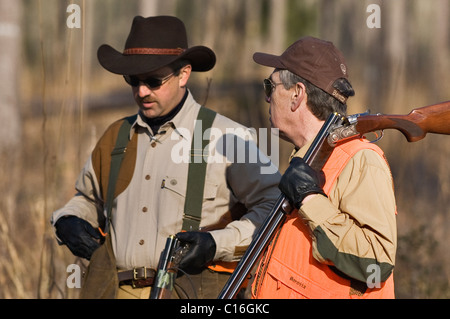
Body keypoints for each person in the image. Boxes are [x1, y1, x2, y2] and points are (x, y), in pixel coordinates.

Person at [51, 15, 281, 299]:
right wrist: (67, 219)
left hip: (191, 294)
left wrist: (215, 243)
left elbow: (274, 209)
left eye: (153, 80)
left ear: (184, 74)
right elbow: (86, 199)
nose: (141, 91)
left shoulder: (229, 137)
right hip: (112, 290)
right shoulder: (115, 136)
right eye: (133, 80)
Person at [250, 36, 397, 299]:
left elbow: (377, 261)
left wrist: (309, 198)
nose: (267, 98)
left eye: (269, 86)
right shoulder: (308, 159)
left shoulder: (361, 160)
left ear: (297, 94)